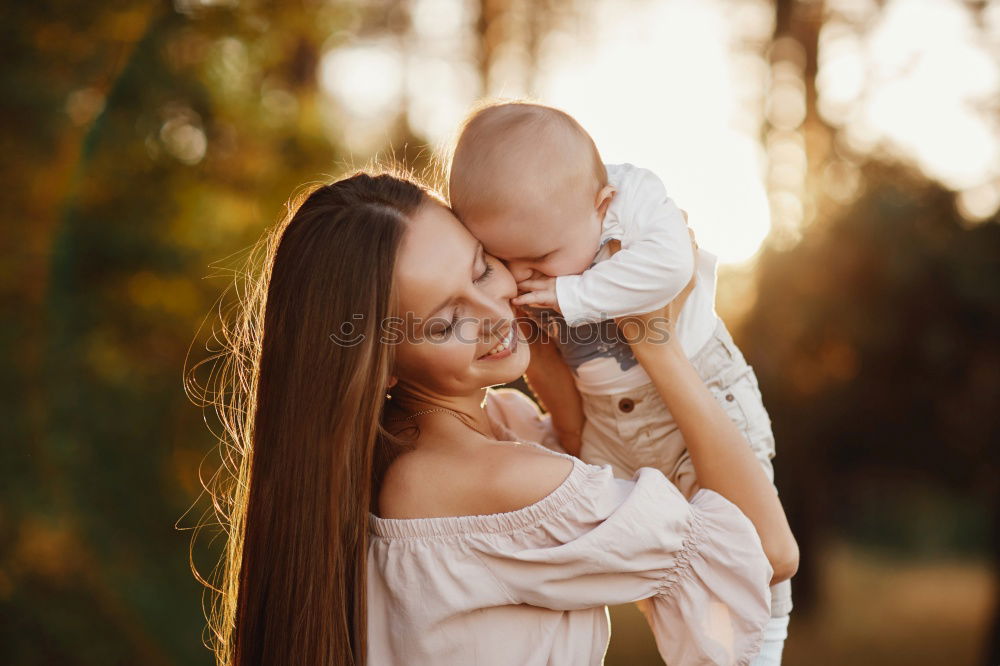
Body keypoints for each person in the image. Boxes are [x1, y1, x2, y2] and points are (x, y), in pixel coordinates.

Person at [207, 170, 797, 666]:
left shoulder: (480, 432)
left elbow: (589, 458)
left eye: (482, 268)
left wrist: (540, 355)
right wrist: (656, 341)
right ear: (380, 366)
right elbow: (766, 553)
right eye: (444, 322)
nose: (494, 312)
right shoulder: (490, 478)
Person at [448, 100, 793, 661]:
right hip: (607, 417)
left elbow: (671, 267)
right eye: (504, 261)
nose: (526, 276)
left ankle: (764, 647)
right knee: (672, 569)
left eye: (540, 258)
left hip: (696, 395)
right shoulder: (539, 239)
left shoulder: (633, 203)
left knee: (746, 551)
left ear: (599, 204)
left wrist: (571, 295)